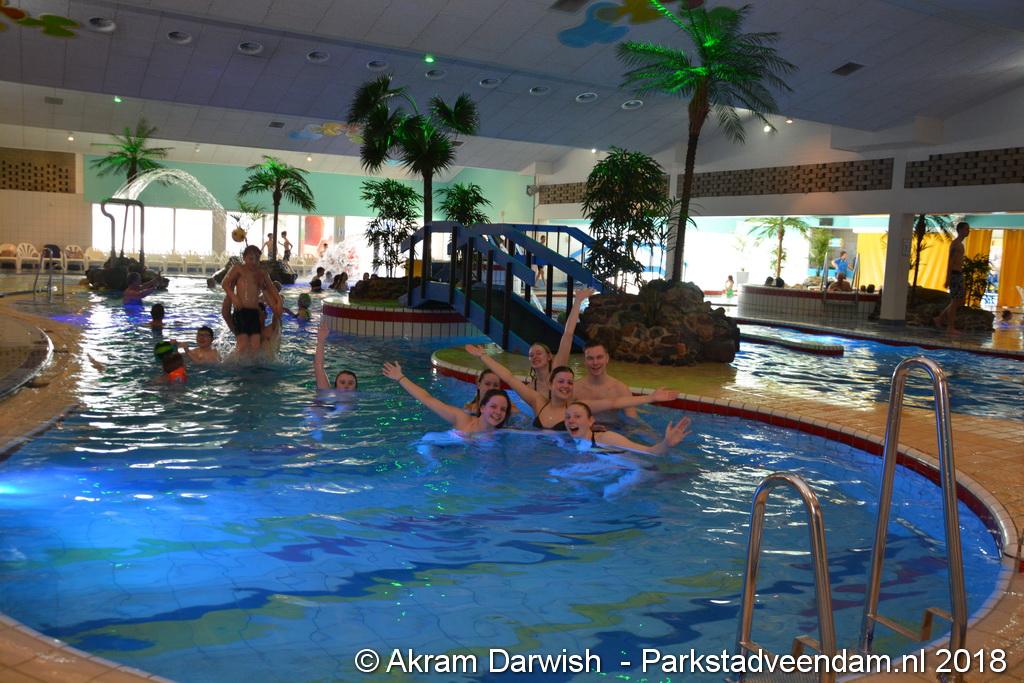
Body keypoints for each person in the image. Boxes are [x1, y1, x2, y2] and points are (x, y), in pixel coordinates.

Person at [465, 344, 677, 430]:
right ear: (551, 384)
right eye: (561, 381)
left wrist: (651, 398)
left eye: (569, 382)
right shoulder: (538, 402)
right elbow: (509, 378)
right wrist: (483, 356)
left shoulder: (578, 409)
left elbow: (614, 402)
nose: (565, 386)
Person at [383, 361, 512, 434]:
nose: (498, 412)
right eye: (493, 406)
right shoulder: (462, 417)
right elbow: (427, 399)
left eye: (503, 409)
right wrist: (400, 378)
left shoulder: (502, 431)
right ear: (483, 408)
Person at [527, 287, 594, 396]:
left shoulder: (557, 369)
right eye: (531, 355)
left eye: (539, 353)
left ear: (549, 357)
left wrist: (578, 301)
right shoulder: (530, 388)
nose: (535, 357)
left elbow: (568, 334)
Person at [564, 402, 691, 455]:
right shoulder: (577, 441)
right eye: (568, 417)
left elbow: (649, 451)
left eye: (577, 416)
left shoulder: (606, 438)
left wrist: (666, 443)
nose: (571, 420)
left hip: (639, 473)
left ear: (590, 420)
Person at [222, 244, 281, 355]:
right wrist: (234, 298)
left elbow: (272, 289)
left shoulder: (261, 273)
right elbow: (224, 284)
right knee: (243, 343)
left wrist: (279, 301)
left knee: (255, 345)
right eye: (250, 258)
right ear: (244, 257)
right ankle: (236, 363)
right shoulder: (238, 268)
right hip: (241, 311)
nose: (254, 262)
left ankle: (253, 365)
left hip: (254, 312)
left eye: (257, 259)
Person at [573, 340, 641, 419]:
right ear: (584, 360)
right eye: (590, 358)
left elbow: (632, 421)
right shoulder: (575, 389)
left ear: (607, 358)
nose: (595, 362)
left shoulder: (621, 390)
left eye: (599, 357)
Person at [934, 221, 970, 334]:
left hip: (959, 274)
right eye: (966, 229)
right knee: (955, 301)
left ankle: (940, 318)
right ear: (960, 230)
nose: (968, 231)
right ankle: (950, 327)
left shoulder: (961, 245)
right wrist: (947, 278)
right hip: (954, 275)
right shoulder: (955, 244)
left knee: (960, 301)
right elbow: (950, 262)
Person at [314, 317, 358, 391]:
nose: (346, 386)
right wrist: (321, 341)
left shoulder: (363, 395)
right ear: (336, 386)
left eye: (350, 383)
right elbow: (318, 366)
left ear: (355, 387)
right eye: (342, 382)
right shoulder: (328, 392)